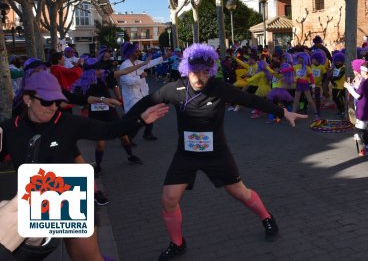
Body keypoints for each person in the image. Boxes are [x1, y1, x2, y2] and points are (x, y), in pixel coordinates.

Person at [123, 44, 307, 260]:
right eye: (195, 72)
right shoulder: (175, 89)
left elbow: (251, 100)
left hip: (216, 154)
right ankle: (177, 243)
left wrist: (283, 112)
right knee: (169, 199)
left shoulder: (219, 87)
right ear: (186, 69)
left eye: (205, 72)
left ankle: (267, 218)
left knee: (240, 193)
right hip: (186, 155)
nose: (200, 78)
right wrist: (122, 123)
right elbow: (146, 102)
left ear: (210, 70)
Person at [0, 70, 168, 261]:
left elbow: (109, 130)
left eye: (57, 101)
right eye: (47, 102)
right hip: (31, 201)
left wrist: (141, 120)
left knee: (88, 258)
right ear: (27, 99)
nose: (53, 107)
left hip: (68, 196)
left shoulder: (67, 122)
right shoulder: (8, 130)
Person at [119, 41, 171, 140]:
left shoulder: (138, 63)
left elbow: (150, 63)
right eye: (136, 51)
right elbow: (126, 81)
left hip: (142, 94)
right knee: (134, 119)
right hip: (132, 96)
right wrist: (140, 76)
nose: (138, 52)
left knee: (150, 113)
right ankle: (127, 138)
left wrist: (165, 57)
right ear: (130, 53)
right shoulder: (125, 65)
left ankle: (147, 133)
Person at [345, 59, 368, 157]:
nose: (360, 72)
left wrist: (348, 87)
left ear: (365, 71)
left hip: (364, 109)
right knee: (362, 129)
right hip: (367, 108)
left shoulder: (365, 81)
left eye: (361, 70)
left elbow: (358, 95)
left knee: (360, 130)